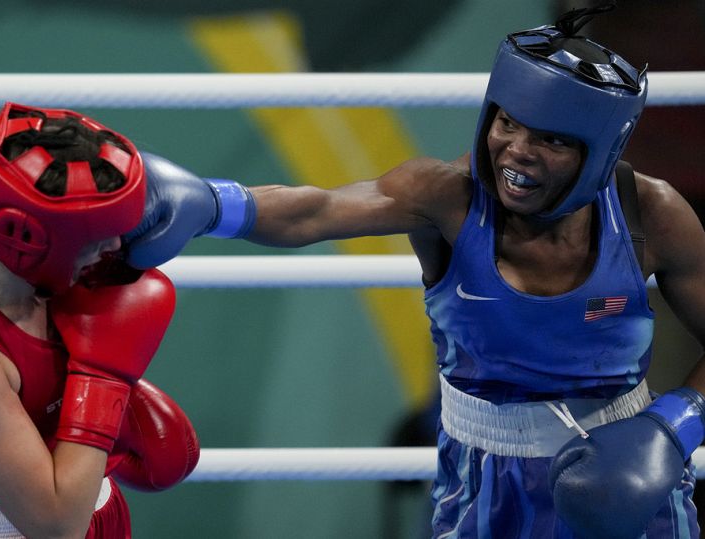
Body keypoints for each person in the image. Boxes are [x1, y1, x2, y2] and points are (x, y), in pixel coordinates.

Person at [122, 4, 705, 538]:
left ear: (599, 153)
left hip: (628, 471)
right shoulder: (446, 197)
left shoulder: (650, 213)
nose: (517, 151)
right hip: (485, 483)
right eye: (507, 123)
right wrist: (214, 203)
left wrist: (673, 427)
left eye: (550, 139)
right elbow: (315, 209)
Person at [0, 102, 199, 538]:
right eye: (95, 237)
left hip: (103, 513)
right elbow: (57, 526)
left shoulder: (36, 256)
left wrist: (224, 205)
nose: (113, 243)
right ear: (28, 239)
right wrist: (103, 379)